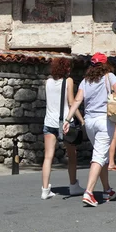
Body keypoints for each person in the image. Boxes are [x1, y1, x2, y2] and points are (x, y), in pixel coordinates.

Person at [64, 53, 116, 207]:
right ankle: (89, 192)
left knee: (102, 155)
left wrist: (67, 120)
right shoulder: (109, 76)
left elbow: (77, 101)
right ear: (105, 64)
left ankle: (107, 190)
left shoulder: (85, 81)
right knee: (99, 156)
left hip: (89, 121)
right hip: (104, 121)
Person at [41, 58, 86, 199]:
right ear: (66, 69)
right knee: (72, 156)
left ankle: (45, 189)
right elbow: (72, 102)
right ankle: (73, 185)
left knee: (48, 156)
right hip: (66, 123)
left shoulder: (47, 82)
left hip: (49, 122)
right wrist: (81, 119)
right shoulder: (69, 81)